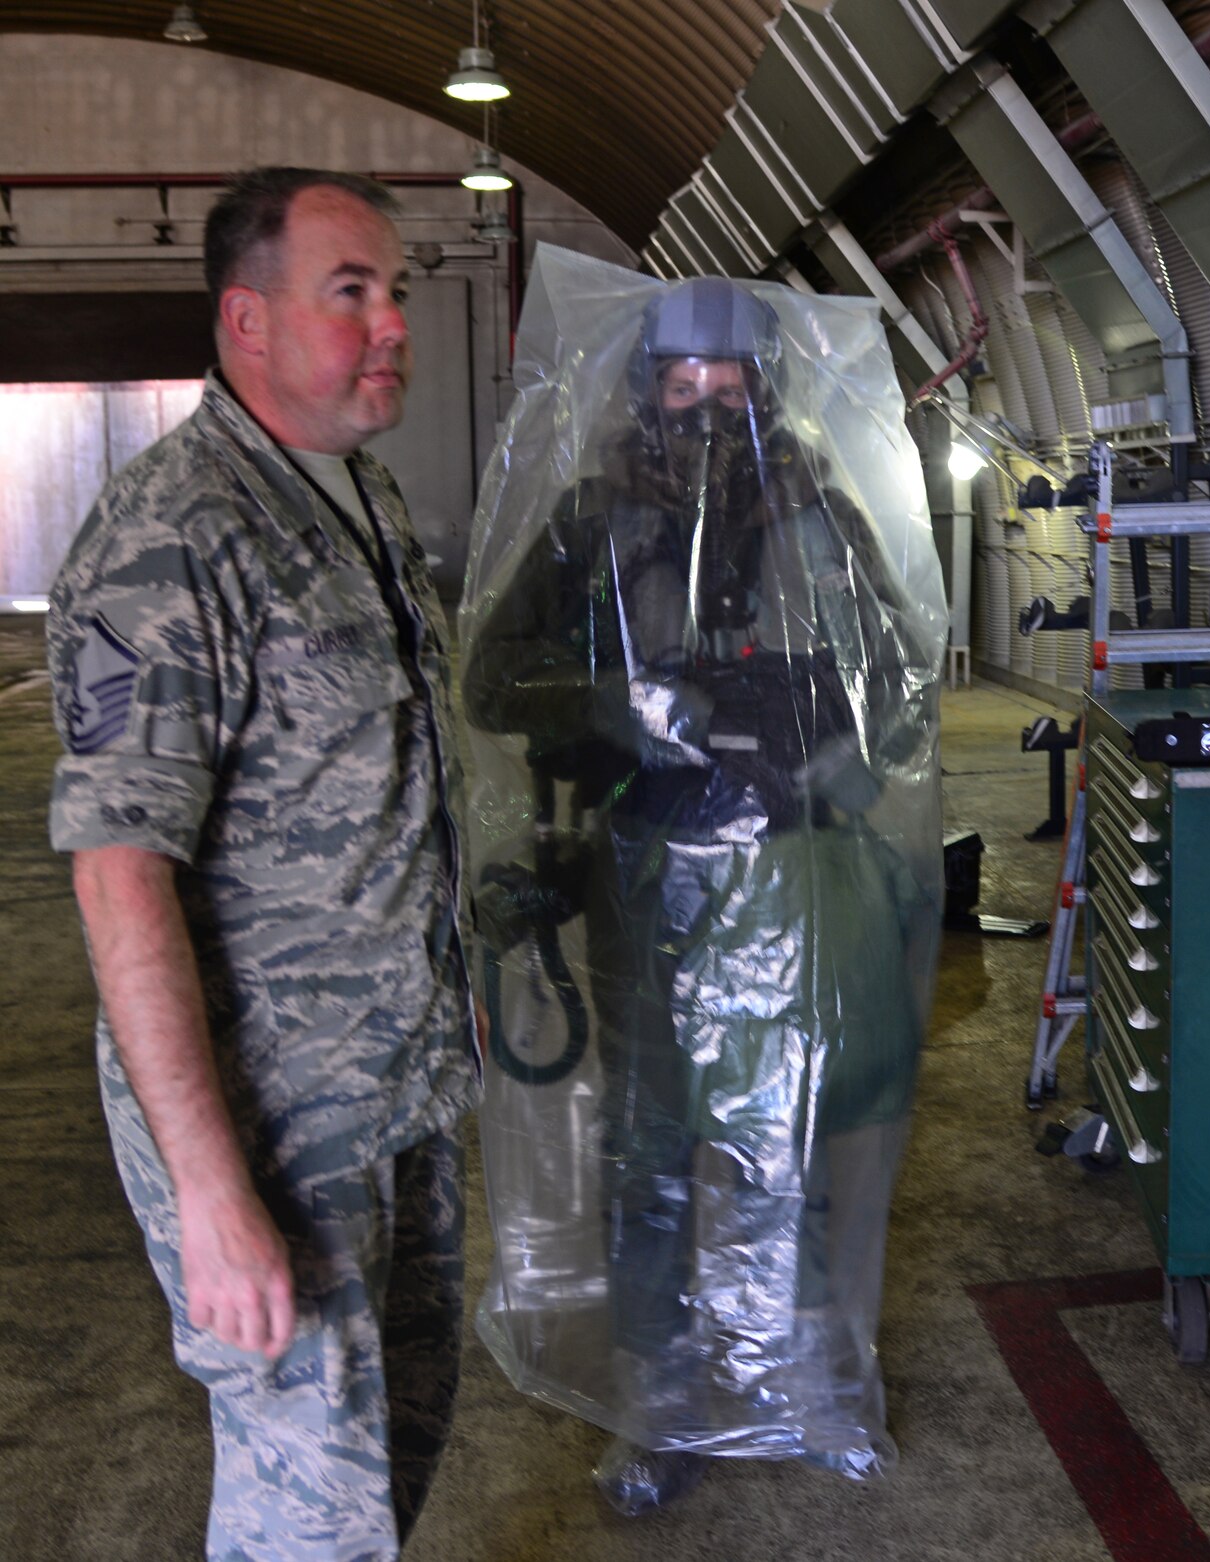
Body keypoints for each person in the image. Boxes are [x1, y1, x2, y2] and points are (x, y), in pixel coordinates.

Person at [46, 167, 479, 1560]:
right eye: (350, 292)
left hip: (396, 1086)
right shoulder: (170, 538)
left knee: (398, 1438)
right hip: (275, 1123)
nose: (392, 323)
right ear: (247, 320)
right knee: (311, 1503)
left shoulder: (359, 498)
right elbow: (121, 877)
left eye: (396, 292)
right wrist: (214, 1192)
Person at [462, 269, 941, 1513]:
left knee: (793, 1133)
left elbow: (898, 691)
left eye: (730, 385)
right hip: (639, 880)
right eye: (683, 383)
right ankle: (658, 1404)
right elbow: (490, 683)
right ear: (645, 389)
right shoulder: (591, 521)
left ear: (767, 391)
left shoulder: (817, 517)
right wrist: (614, 702)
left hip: (792, 872)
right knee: (656, 1148)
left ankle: (812, 1380)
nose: (708, 406)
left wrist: (816, 755)